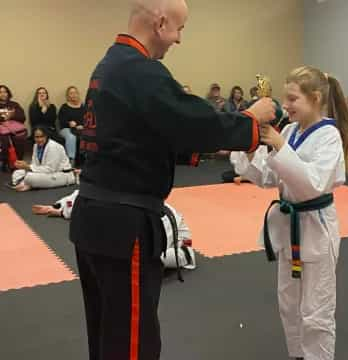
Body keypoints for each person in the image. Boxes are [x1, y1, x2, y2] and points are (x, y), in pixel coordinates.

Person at [69, 1, 276, 360]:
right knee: (132, 344)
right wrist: (251, 122)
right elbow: (193, 121)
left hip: (96, 219)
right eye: (179, 29)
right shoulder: (139, 70)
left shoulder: (110, 64)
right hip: (122, 225)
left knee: (108, 335)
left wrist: (205, 148)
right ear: (161, 22)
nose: (178, 40)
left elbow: (143, 134)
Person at [234, 66, 348, 360]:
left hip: (315, 227)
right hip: (290, 227)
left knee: (316, 309)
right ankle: (298, 354)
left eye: (292, 99)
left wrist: (278, 145)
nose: (284, 105)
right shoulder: (290, 130)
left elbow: (314, 184)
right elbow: (267, 177)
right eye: (284, 98)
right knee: (289, 303)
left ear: (315, 98)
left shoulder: (329, 135)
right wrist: (251, 149)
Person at [33, 193, 196, 269]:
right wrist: (58, 209)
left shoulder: (157, 216)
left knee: (154, 259)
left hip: (173, 238)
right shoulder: (106, 191)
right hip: (138, 224)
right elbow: (81, 196)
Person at [9, 126, 75, 191]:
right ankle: (29, 184)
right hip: (44, 173)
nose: (39, 139)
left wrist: (28, 167)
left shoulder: (53, 147)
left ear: (46, 136)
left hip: (60, 174)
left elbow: (50, 169)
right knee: (17, 173)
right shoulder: (35, 146)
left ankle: (26, 183)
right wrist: (25, 166)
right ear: (34, 137)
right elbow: (35, 165)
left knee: (30, 177)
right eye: (37, 137)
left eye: (42, 136)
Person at [0, 85, 27, 171]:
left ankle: (17, 161)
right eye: (0, 92)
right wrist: (3, 118)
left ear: (8, 93)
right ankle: (5, 162)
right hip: (1, 129)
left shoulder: (14, 104)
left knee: (19, 137)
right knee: (4, 139)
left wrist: (11, 116)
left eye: (5, 92)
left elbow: (22, 117)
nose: (3, 94)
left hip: (14, 128)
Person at [58, 86, 86, 165]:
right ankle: (71, 160)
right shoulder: (64, 107)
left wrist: (82, 125)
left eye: (75, 93)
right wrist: (69, 123)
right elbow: (62, 121)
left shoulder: (84, 106)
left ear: (78, 94)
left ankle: (87, 160)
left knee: (89, 135)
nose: (73, 95)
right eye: (71, 93)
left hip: (82, 128)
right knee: (71, 136)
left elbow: (88, 119)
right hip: (66, 129)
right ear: (68, 95)